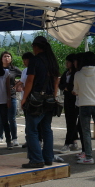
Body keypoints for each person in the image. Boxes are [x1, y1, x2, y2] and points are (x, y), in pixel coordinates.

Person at [20, 36, 59, 168]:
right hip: (50, 99)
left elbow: (30, 80)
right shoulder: (52, 60)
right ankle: (48, 158)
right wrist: (54, 95)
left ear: (36, 47)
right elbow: (56, 81)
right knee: (46, 129)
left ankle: (36, 159)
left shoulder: (35, 60)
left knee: (31, 130)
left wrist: (24, 98)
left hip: (36, 100)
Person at [0, 51, 21, 147]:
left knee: (12, 118)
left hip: (12, 96)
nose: (6, 58)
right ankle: (0, 137)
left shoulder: (14, 69)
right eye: (4, 56)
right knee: (0, 118)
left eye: (8, 56)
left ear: (11, 58)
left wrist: (17, 84)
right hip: (0, 96)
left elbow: (24, 77)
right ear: (1, 58)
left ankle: (14, 138)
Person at [58, 53, 80, 152]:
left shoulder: (76, 74)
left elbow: (73, 86)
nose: (67, 63)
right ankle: (74, 141)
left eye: (69, 62)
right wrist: (66, 87)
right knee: (69, 120)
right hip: (67, 99)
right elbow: (61, 85)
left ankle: (68, 143)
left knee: (72, 121)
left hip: (75, 99)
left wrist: (67, 87)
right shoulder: (66, 73)